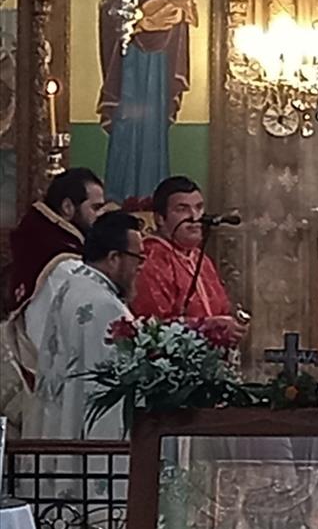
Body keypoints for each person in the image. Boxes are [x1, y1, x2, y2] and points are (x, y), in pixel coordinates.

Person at [22, 211, 143, 440]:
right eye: (138, 258)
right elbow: (111, 392)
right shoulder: (106, 306)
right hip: (89, 440)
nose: (141, 267)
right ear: (114, 258)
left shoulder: (71, 286)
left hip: (61, 425)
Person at [1, 169, 105, 433]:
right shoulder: (64, 267)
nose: (101, 217)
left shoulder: (46, 248)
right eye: (95, 208)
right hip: (51, 385)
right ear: (68, 207)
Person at [98, 0, 193, 202]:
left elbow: (176, 5)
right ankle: (120, 191)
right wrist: (129, 14)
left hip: (157, 60)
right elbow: (109, 11)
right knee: (126, 116)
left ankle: (154, 191)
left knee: (153, 119)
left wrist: (171, 16)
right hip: (129, 58)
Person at [131, 176, 247, 345]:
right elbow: (152, 328)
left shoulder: (201, 259)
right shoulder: (150, 259)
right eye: (182, 209)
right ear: (160, 218)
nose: (194, 217)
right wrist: (207, 327)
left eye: (199, 207)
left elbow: (221, 310)